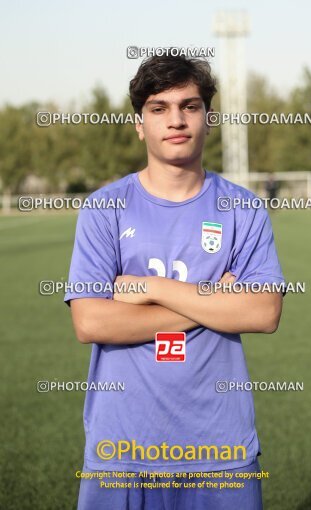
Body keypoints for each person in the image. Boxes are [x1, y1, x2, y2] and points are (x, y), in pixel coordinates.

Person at [65, 54, 285, 510]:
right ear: (139, 125)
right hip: (121, 450)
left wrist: (153, 288)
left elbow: (263, 313)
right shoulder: (104, 208)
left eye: (189, 106)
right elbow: (91, 322)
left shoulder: (242, 209)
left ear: (208, 118)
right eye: (159, 108)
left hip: (220, 448)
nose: (176, 119)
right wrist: (211, 301)